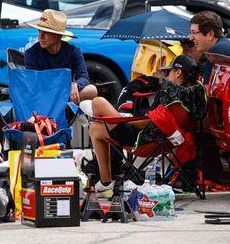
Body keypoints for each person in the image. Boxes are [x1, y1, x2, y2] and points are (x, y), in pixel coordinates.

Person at [87, 54, 206, 196]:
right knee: (95, 128)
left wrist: (126, 119)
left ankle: (106, 182)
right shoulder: (194, 93)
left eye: (169, 72)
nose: (166, 76)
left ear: (178, 72)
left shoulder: (169, 93)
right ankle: (105, 183)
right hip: (163, 140)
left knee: (98, 102)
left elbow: (148, 122)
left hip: (140, 141)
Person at [23, 10, 98, 102]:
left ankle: (63, 107)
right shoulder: (31, 53)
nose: (41, 36)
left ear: (58, 35)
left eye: (46, 32)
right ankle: (64, 107)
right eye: (39, 31)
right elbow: (35, 84)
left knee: (92, 90)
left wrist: (75, 85)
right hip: (44, 95)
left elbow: (84, 77)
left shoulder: (73, 51)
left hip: (66, 94)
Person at [186, 11, 230, 85]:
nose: (191, 38)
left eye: (194, 32)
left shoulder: (216, 51)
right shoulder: (223, 46)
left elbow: (206, 90)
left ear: (210, 34)